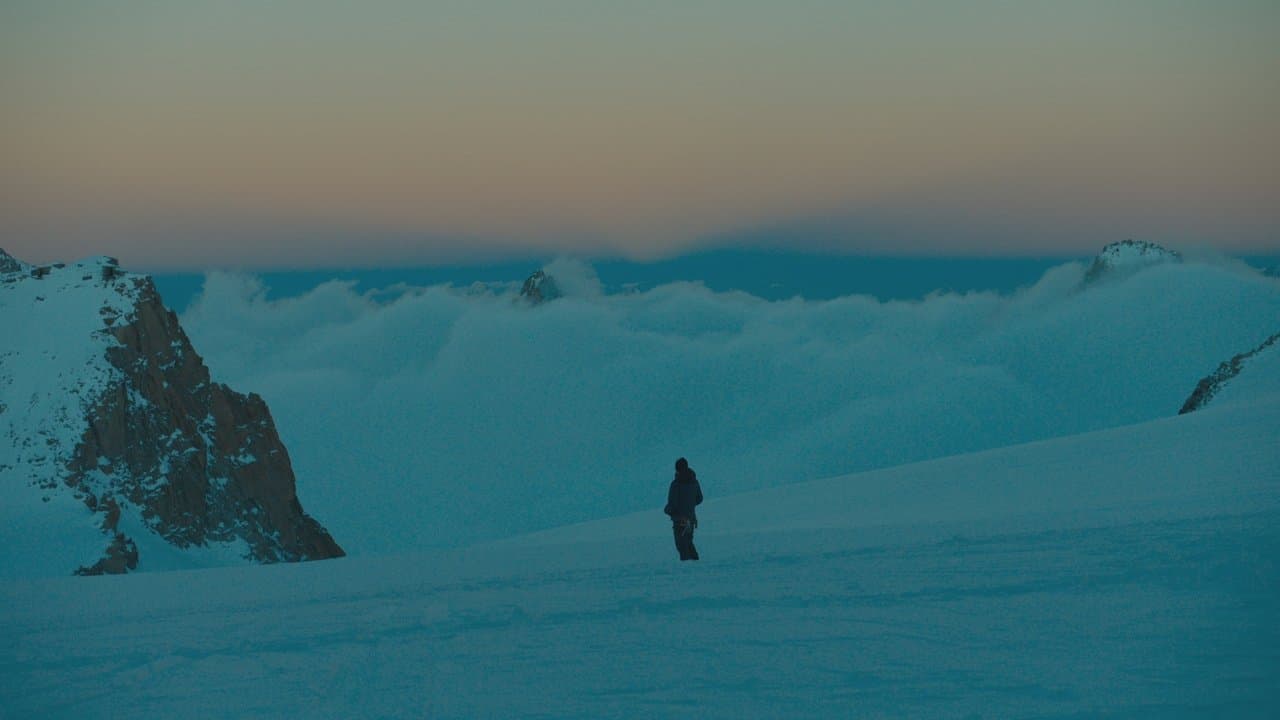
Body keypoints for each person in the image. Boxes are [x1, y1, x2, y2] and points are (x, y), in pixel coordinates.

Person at [664, 457, 703, 561]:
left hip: (679, 520)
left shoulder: (676, 484)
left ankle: (689, 570)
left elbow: (672, 504)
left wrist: (667, 510)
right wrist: (689, 505)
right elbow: (699, 499)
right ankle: (697, 566)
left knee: (682, 546)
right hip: (690, 519)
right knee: (689, 543)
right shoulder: (694, 482)